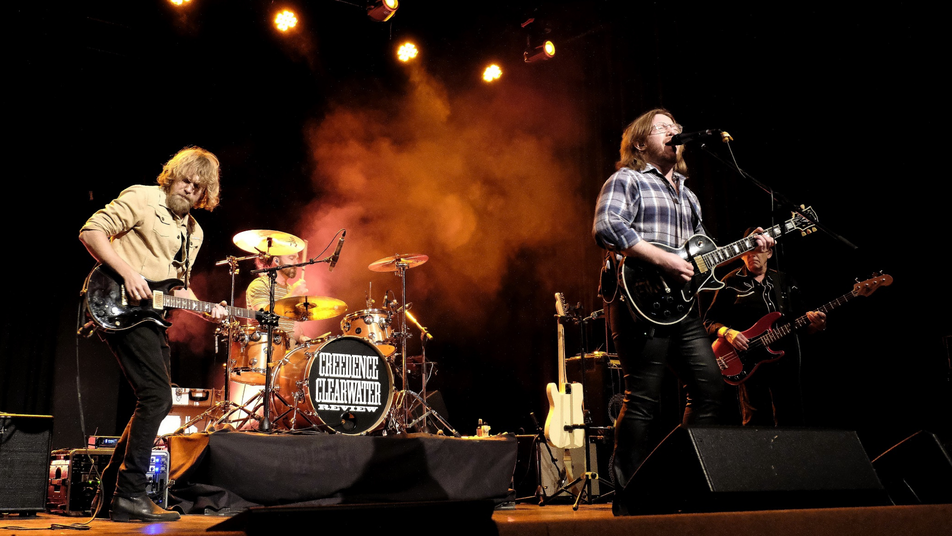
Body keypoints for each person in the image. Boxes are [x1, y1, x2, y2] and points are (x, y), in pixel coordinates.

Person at [592, 109, 774, 514]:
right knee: (642, 398)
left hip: (683, 309)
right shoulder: (628, 179)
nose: (674, 131)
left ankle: (679, 483)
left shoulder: (688, 195)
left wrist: (750, 247)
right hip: (639, 301)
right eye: (663, 127)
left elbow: (700, 261)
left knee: (710, 389)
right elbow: (606, 227)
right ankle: (630, 496)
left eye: (676, 127)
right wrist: (663, 260)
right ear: (641, 142)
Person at [79, 146, 226, 522]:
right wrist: (128, 272)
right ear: (173, 175)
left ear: (205, 193)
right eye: (186, 179)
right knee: (158, 397)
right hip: (117, 302)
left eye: (198, 186)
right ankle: (129, 494)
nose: (189, 188)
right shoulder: (143, 197)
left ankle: (112, 494)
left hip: (151, 317)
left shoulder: (194, 232)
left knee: (156, 399)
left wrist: (207, 309)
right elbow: (92, 231)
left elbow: (178, 287)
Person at [703, 231, 826, 426]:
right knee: (755, 422)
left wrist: (816, 326)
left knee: (791, 419)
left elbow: (803, 326)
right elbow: (709, 321)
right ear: (740, 255)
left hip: (785, 361)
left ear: (769, 252)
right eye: (748, 251)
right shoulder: (729, 282)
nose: (752, 255)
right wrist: (728, 332)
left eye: (758, 250)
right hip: (747, 360)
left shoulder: (785, 281)